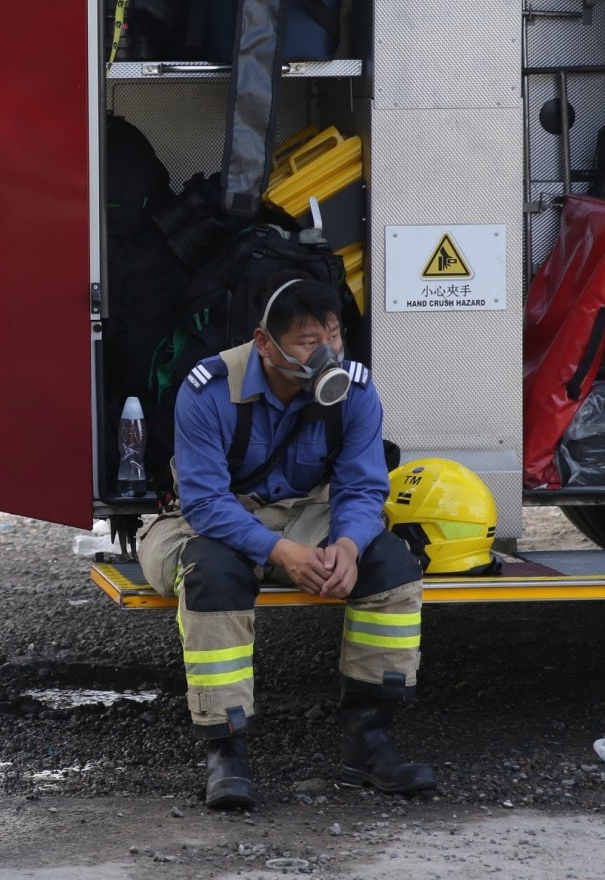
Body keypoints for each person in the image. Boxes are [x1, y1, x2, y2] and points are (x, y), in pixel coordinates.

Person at [137, 274, 434, 809]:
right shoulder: (208, 388)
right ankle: (225, 751)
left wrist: (346, 545)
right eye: (306, 342)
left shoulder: (357, 391)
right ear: (263, 343)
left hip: (306, 515)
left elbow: (363, 486)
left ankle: (368, 743)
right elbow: (205, 503)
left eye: (335, 336)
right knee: (212, 576)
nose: (326, 353)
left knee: (390, 564)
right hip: (211, 521)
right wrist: (279, 552)